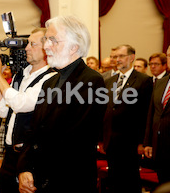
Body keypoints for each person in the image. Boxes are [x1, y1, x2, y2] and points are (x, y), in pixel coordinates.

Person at [17, 15, 106, 193]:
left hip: (69, 181)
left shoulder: (91, 81)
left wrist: (36, 169)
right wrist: (25, 168)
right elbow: (34, 129)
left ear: (74, 47)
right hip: (42, 178)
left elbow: (74, 138)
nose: (46, 46)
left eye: (52, 40)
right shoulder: (49, 82)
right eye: (46, 40)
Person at [0, 27, 56, 193]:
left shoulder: (50, 78)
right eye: (27, 44)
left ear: (46, 48)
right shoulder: (21, 75)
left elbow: (20, 104)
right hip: (10, 153)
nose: (26, 48)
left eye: (32, 44)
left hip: (30, 156)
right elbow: (4, 111)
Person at [99, 44, 153, 193]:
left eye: (121, 56)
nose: (117, 59)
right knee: (114, 181)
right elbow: (106, 111)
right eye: (115, 57)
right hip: (111, 141)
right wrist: (103, 139)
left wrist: (143, 142)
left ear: (131, 57)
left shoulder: (143, 80)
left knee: (129, 182)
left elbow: (146, 113)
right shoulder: (109, 81)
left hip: (131, 142)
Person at [144, 42, 170, 185]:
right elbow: (152, 113)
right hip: (160, 149)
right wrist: (148, 142)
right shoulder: (161, 82)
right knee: (163, 185)